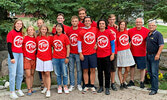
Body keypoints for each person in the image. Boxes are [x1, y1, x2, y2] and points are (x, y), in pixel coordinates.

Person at [128, 18, 150, 88]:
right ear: (135, 23)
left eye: (140, 22)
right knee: (132, 67)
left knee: (142, 68)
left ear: (142, 23)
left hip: (142, 53)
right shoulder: (130, 31)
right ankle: (131, 80)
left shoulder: (146, 31)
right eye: (137, 22)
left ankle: (142, 81)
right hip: (132, 52)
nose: (138, 23)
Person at [78, 16, 97, 94]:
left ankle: (92, 85)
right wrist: (80, 53)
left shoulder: (95, 29)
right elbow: (79, 43)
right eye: (86, 21)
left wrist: (97, 44)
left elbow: (102, 35)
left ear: (91, 22)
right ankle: (86, 85)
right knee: (85, 70)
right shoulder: (81, 31)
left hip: (93, 53)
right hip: (84, 53)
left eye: (88, 21)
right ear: (84, 22)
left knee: (92, 69)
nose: (87, 22)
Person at [7, 19, 25, 99]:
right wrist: (12, 57)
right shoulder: (11, 33)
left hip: (20, 54)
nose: (19, 25)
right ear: (15, 24)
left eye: (20, 24)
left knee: (20, 73)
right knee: (13, 74)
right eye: (18, 23)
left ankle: (18, 89)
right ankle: (12, 91)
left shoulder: (21, 33)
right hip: (13, 54)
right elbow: (9, 46)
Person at [96, 19, 115, 95]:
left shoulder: (109, 32)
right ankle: (101, 86)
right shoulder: (96, 32)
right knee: (100, 72)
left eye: (103, 23)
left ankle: (107, 87)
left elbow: (112, 44)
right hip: (98, 55)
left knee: (107, 72)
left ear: (105, 25)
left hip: (107, 55)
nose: (101, 25)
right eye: (100, 24)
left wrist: (112, 54)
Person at [146, 20, 164, 95]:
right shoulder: (149, 34)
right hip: (148, 55)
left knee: (154, 73)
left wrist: (158, 54)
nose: (151, 26)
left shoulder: (158, 34)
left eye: (152, 25)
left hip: (154, 56)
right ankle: (153, 86)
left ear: (156, 26)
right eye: (150, 25)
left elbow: (161, 45)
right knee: (149, 72)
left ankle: (154, 89)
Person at [52, 23, 70, 94]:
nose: (58, 28)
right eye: (57, 27)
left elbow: (68, 47)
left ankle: (65, 86)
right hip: (55, 58)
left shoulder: (65, 36)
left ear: (62, 29)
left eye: (60, 27)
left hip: (63, 57)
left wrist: (67, 57)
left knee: (65, 73)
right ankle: (59, 86)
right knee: (58, 73)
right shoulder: (54, 37)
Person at [117, 21, 135, 90]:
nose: (122, 26)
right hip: (120, 51)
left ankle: (124, 81)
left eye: (123, 25)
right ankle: (121, 83)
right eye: (121, 24)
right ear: (119, 25)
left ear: (125, 26)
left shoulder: (127, 31)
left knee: (127, 68)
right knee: (120, 68)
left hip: (127, 51)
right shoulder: (116, 32)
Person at [36, 25, 53, 97]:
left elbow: (53, 46)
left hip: (48, 58)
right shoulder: (37, 38)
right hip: (40, 57)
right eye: (42, 29)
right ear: (40, 30)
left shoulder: (50, 38)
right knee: (42, 73)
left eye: (45, 29)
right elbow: (36, 47)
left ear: (47, 30)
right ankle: (45, 86)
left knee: (47, 73)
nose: (43, 30)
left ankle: (48, 90)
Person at [66, 16, 82, 92]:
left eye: (76, 21)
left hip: (78, 53)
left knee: (79, 69)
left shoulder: (81, 30)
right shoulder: (69, 31)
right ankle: (72, 84)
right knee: (71, 70)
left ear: (78, 22)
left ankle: (79, 84)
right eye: (73, 21)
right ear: (71, 22)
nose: (74, 22)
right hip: (71, 53)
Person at [23, 26, 37, 96]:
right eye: (29, 30)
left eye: (32, 30)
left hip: (33, 58)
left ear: (34, 31)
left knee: (32, 74)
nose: (30, 31)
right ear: (27, 31)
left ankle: (31, 88)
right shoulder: (24, 38)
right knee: (28, 74)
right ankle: (28, 89)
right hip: (26, 58)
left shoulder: (35, 39)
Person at [107, 14, 118, 91]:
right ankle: (106, 83)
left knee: (113, 69)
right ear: (108, 20)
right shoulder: (105, 27)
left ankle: (113, 83)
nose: (112, 21)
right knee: (106, 68)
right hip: (106, 51)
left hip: (114, 51)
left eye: (113, 19)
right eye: (110, 19)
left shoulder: (116, 28)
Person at [36, 19, 45, 90]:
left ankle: (47, 82)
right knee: (40, 68)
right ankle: (42, 81)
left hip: (45, 52)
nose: (39, 24)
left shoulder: (46, 32)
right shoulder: (35, 33)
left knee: (47, 69)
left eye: (40, 23)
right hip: (38, 52)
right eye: (38, 23)